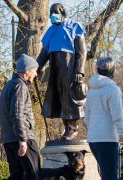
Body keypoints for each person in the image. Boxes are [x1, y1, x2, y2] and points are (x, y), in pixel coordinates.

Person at [36, 3, 87, 140]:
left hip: (69, 68)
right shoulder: (51, 31)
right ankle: (66, 128)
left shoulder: (74, 27)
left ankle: (73, 129)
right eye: (51, 13)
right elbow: (44, 53)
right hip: (55, 69)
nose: (53, 15)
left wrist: (79, 71)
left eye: (56, 12)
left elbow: (82, 52)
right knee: (59, 98)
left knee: (70, 98)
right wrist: (37, 67)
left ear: (62, 12)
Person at [84, 57, 123, 180]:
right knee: (110, 176)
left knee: (106, 175)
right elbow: (118, 118)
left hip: (93, 140)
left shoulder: (91, 90)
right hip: (107, 139)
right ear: (112, 71)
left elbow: (87, 118)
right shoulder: (112, 89)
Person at [0, 54, 40, 180]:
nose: (36, 74)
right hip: (22, 138)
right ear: (27, 71)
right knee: (33, 174)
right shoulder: (20, 86)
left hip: (9, 139)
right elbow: (17, 113)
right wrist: (23, 140)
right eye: (34, 70)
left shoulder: (9, 85)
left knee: (17, 175)